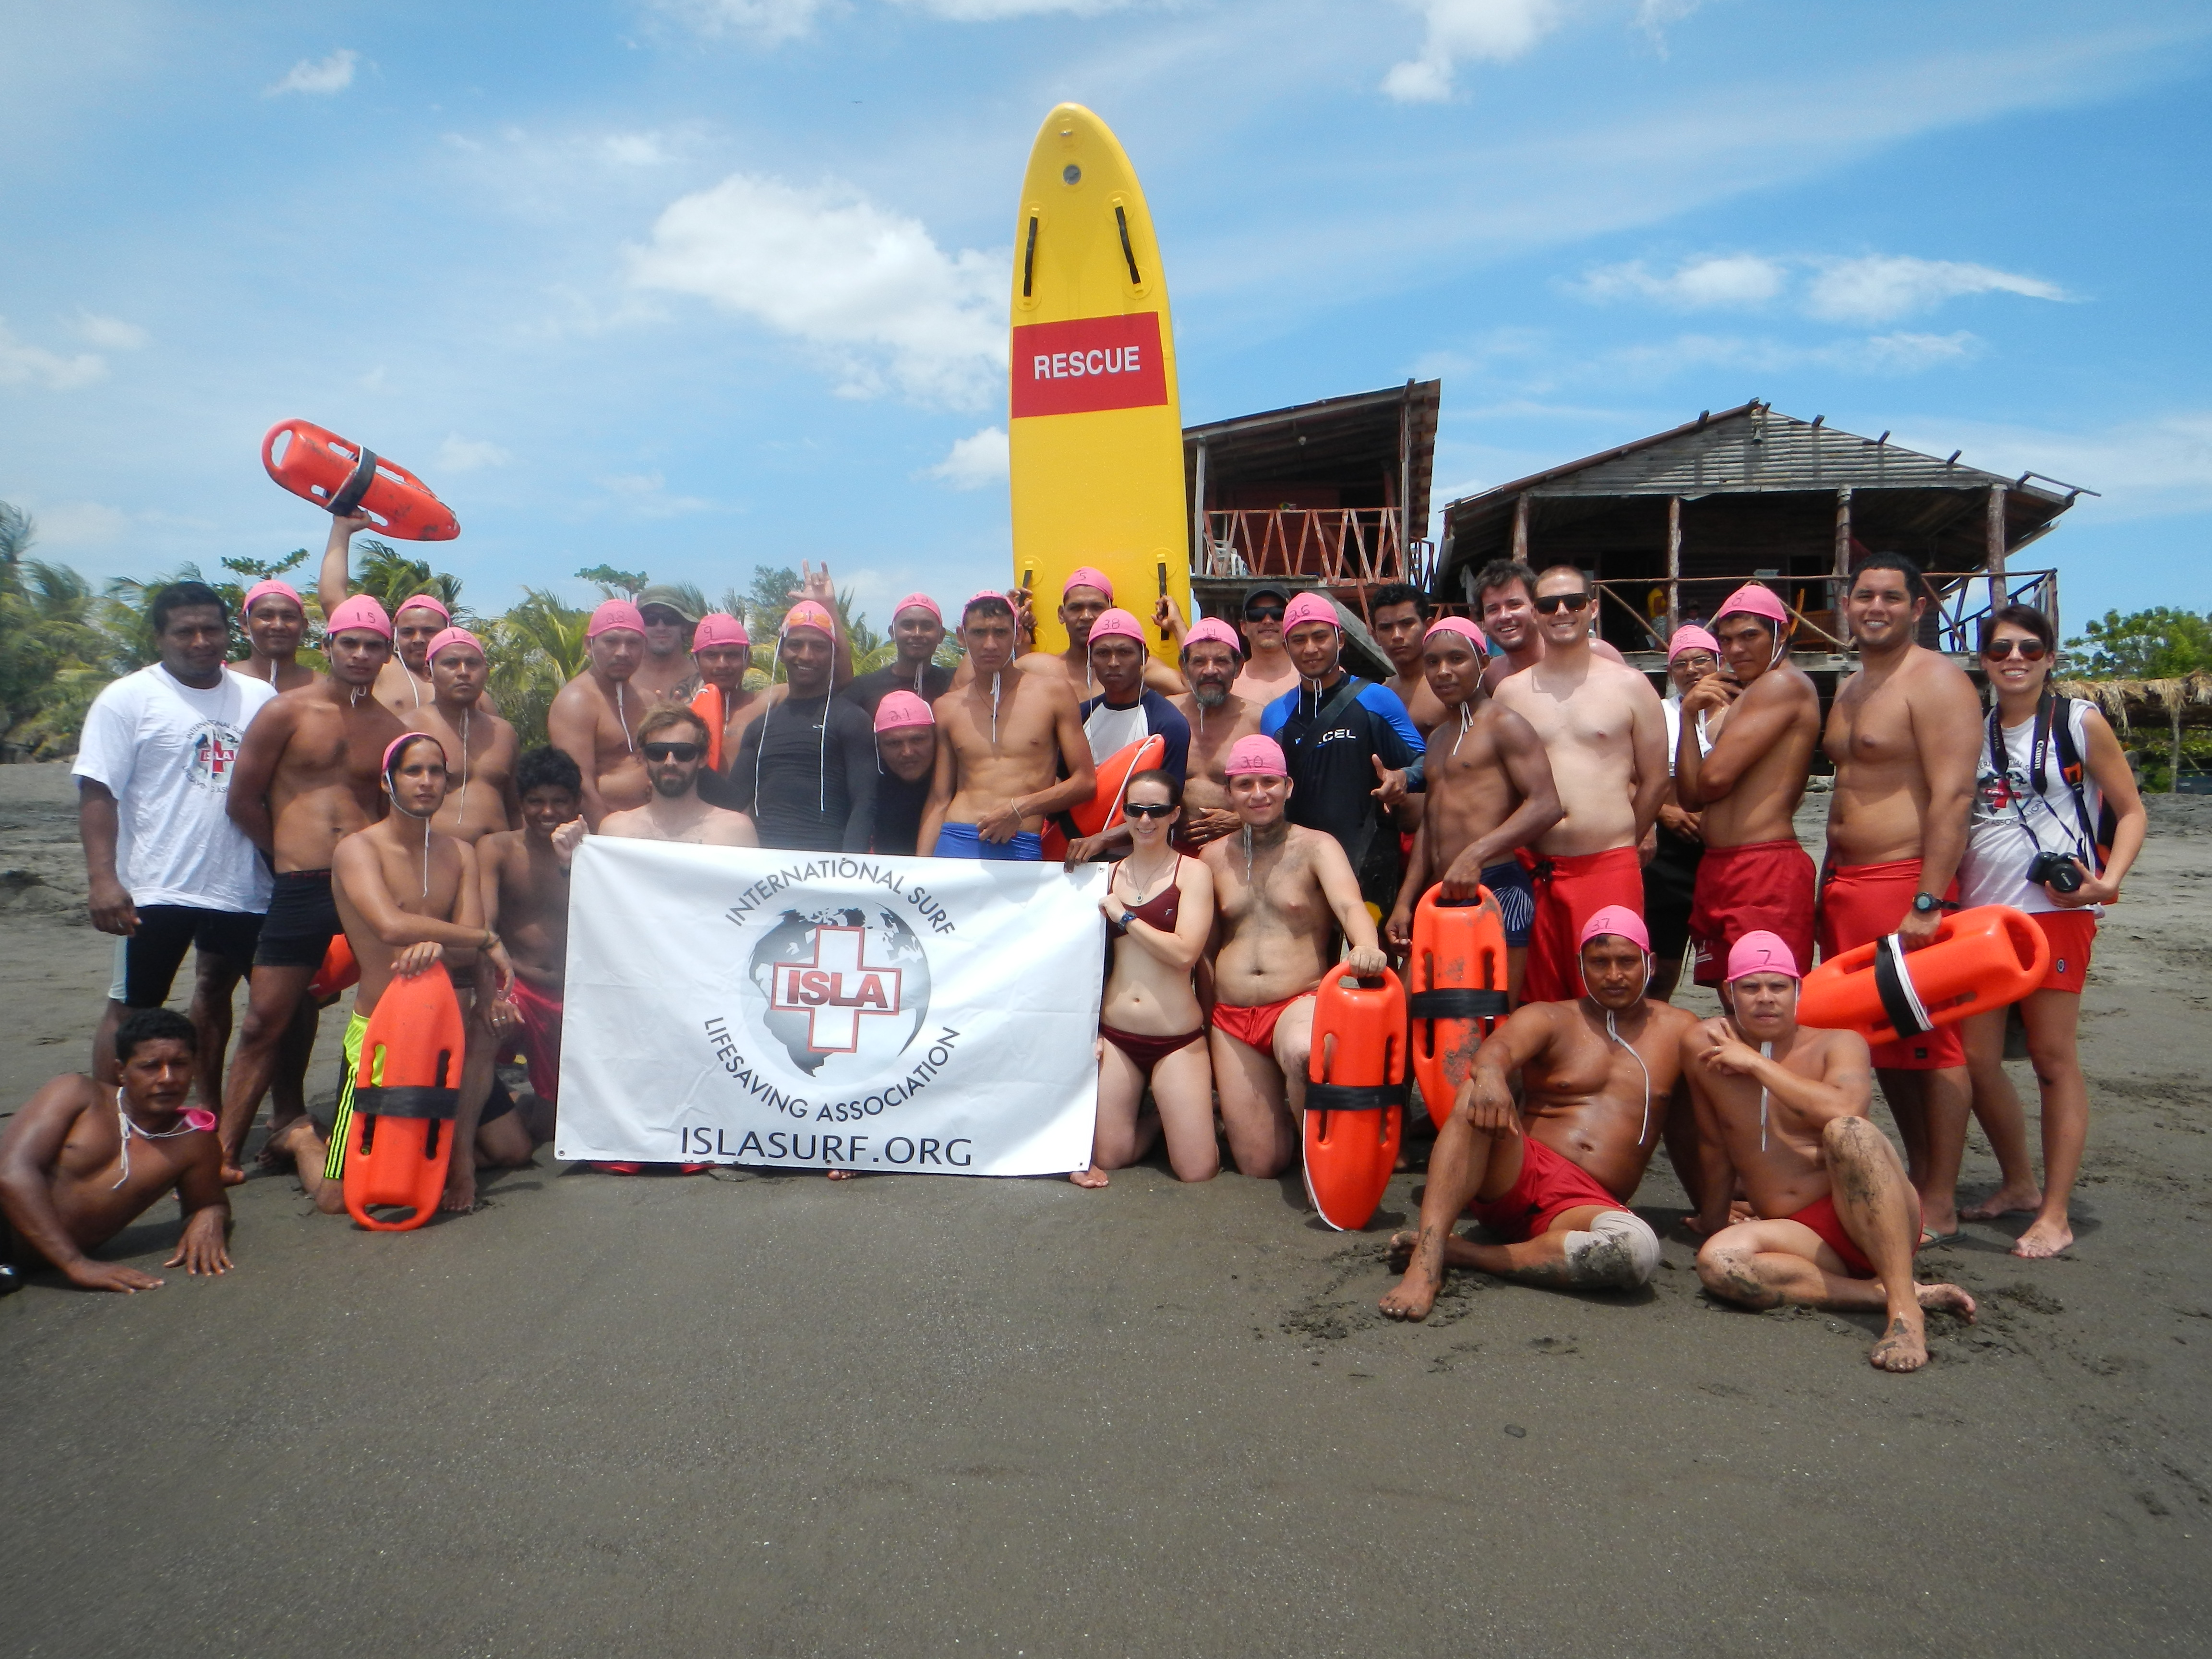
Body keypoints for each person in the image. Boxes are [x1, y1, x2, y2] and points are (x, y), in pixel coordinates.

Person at [1379, 909, 1695, 1319]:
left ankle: (1473, 1254)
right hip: (1520, 1174)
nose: (1614, 974)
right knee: (1476, 1090)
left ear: (1650, 965)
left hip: (1583, 1206)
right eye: (1600, 963)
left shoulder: (1682, 1029)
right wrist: (1491, 1074)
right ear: (1581, 966)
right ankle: (1428, 1259)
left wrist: (1715, 1209)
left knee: (1635, 1252)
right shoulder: (1551, 1016)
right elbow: (1497, 1050)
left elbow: (1695, 1130)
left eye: (1627, 962)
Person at [1684, 932, 1977, 1372]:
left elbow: (1844, 1108)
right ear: (1729, 992)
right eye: (1751, 987)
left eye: (1778, 986)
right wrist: (1712, 1216)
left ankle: (1904, 1314)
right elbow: (1713, 1141)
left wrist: (1756, 1064)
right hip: (1801, 1235)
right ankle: (1879, 1294)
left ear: (1798, 990)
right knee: (1720, 1264)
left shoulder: (1840, 1042)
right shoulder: (1703, 1044)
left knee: (1847, 1131)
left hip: (1873, 1214)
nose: (1766, 999)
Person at [265, 734, 528, 1214]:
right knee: (336, 1201)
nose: (426, 781)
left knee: (512, 1150)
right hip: (382, 1034)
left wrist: (447, 940)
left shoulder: (459, 853)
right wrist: (485, 940)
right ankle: (301, 1138)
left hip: (444, 1028)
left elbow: (462, 941)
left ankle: (434, 1154)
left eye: (436, 772)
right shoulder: (357, 849)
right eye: (413, 771)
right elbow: (390, 924)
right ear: (388, 783)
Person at [1958, 605, 2145, 1258]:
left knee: (2052, 1060)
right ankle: (2019, 1183)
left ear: (2050, 657)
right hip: (1980, 918)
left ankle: (2057, 1213)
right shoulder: (1972, 729)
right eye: (2001, 648)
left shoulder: (2078, 722)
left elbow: (2130, 811)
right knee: (1976, 1060)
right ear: (1982, 658)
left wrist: (2108, 880)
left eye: (2030, 649)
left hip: (2055, 917)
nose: (2015, 658)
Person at [1818, 552, 1983, 1242]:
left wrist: (1930, 899)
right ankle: (1918, 1176)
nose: (1874, 607)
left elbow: (1954, 795)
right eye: (1863, 597)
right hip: (1848, 884)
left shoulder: (1938, 681)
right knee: (1884, 1043)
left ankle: (1940, 1197)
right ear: (1847, 606)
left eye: (1890, 597)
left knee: (1934, 1042)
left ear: (1920, 607)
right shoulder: (1854, 685)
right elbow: (1847, 790)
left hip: (1905, 880)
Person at [217, 594, 407, 1183]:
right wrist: (283, 856)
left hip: (363, 886)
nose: (360, 654)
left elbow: (384, 810)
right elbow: (242, 798)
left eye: (373, 645)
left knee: (377, 1011)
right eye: (349, 642)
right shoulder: (287, 712)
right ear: (327, 647)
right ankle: (221, 1153)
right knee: (264, 1019)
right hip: (299, 881)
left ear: (386, 656)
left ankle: (368, 1126)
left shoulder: (392, 728)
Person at [75, 580, 279, 1115]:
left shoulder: (259, 697)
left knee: (276, 1008)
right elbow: (98, 791)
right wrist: (104, 880)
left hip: (245, 886)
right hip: (155, 885)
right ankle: (108, 1122)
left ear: (227, 632)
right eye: (184, 631)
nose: (199, 641)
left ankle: (233, 1116)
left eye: (211, 629)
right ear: (159, 637)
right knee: (132, 1008)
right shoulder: (128, 698)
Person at [1201, 734, 1389, 1177]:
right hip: (1232, 1017)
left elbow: (1349, 906)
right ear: (1229, 793)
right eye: (1245, 784)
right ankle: (1287, 1125)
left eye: (1268, 782)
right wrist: (1205, 1021)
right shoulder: (1211, 857)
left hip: (1297, 1003)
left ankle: (1324, 1169)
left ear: (1288, 787)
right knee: (1260, 1164)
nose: (1258, 794)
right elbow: (1205, 950)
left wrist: (1366, 946)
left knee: (1306, 1054)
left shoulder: (1317, 846)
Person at [1490, 565, 1667, 1004]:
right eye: (1549, 605)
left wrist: (1626, 839)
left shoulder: (1631, 685)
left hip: (1607, 865)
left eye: (1573, 602)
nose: (1562, 611)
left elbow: (1656, 778)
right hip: (1533, 868)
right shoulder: (1510, 693)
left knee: (1612, 994)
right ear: (1535, 613)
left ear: (1593, 607)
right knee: (1538, 1001)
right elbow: (1498, 787)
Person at [1384, 619, 1559, 1006]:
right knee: (1409, 1006)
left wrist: (1475, 854)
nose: (1443, 671)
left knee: (1491, 1014)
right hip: (1443, 888)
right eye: (1433, 662)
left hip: (1496, 884)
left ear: (1482, 661)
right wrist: (1405, 900)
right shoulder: (1440, 739)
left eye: (1456, 659)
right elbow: (1431, 821)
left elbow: (1546, 804)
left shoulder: (1504, 724)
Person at [0, 1009, 232, 1294]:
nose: (168, 1078)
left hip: (23, 1263)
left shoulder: (193, 1142)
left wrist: (209, 1218)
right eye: (150, 1066)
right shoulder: (76, 1094)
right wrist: (75, 1263)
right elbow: (11, 1172)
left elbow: (209, 1201)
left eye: (180, 1064)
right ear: (121, 1070)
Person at [1070, 770, 1219, 1189]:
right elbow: (1082, 963)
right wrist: (1087, 1032)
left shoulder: (1193, 874)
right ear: (1126, 813)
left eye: (1157, 811)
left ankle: (1185, 1116)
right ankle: (1157, 1123)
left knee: (1197, 1171)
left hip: (1178, 1037)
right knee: (1111, 1157)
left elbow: (1185, 953)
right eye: (1136, 810)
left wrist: (1125, 916)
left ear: (1174, 815)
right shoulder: (1106, 875)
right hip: (1118, 1036)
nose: (1146, 820)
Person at [1674, 584, 1821, 986]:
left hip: (1763, 867)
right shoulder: (1746, 695)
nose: (1737, 649)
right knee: (1733, 998)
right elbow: (1690, 797)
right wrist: (1687, 718)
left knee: (1765, 1003)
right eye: (1727, 639)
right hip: (1722, 865)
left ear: (1782, 633)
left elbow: (1712, 781)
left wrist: (1692, 719)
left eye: (1750, 636)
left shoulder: (1782, 685)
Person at [1261, 590, 1421, 915]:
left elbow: (1427, 762)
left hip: (1370, 860)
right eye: (1299, 640)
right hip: (1301, 869)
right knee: (1310, 966)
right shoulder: (1276, 715)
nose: (1310, 649)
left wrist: (1402, 777)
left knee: (1373, 962)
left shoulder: (1376, 699)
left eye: (1321, 637)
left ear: (1341, 639)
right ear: (1286, 647)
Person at [919, 592, 1094, 861]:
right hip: (957, 839)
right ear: (962, 636)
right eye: (979, 633)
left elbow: (1085, 782)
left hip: (1020, 840)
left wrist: (1020, 808)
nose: (990, 644)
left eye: (1000, 632)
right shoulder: (947, 707)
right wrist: (921, 868)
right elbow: (939, 798)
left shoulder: (1053, 694)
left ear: (1017, 635)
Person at [477, 747, 585, 1119]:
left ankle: (522, 1109)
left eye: (559, 801)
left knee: (552, 1123)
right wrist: (492, 993)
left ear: (577, 803)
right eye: (536, 801)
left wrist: (575, 861)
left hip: (575, 994)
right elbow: (484, 928)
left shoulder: (595, 851)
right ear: (521, 803)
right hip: (518, 986)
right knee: (481, 1031)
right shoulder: (497, 849)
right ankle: (475, 1114)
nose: (548, 811)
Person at [727, 600, 877, 853]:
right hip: (768, 873)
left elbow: (865, 804)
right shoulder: (759, 728)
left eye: (819, 647)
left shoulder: (852, 720)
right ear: (781, 651)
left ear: (833, 654)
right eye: (796, 645)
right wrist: (686, 747)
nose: (806, 655)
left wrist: (850, 871)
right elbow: (730, 802)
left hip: (826, 870)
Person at [315, 513, 483, 716]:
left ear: (447, 632)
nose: (418, 640)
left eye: (429, 631)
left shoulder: (468, 684)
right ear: (394, 634)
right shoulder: (380, 666)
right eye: (408, 632)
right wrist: (341, 529)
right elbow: (333, 599)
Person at [1062, 608, 1193, 862]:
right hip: (1076, 856)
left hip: (1143, 861)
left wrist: (1103, 840)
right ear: (1090, 659)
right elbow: (1062, 784)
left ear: (1143, 656)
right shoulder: (1078, 717)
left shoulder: (1169, 723)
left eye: (1124, 652)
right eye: (1102, 653)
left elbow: (1165, 808)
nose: (1113, 662)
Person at [1644, 625, 1719, 1000]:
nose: (1692, 670)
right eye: (1681, 664)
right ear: (1670, 673)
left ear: (1718, 662)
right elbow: (1624, 778)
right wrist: (1665, 812)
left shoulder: (1743, 711)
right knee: (1663, 966)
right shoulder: (1658, 715)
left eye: (1701, 660)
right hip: (1668, 852)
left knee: (1728, 967)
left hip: (1722, 847)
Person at [402, 627, 519, 843]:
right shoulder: (409, 728)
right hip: (438, 859)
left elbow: (516, 808)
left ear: (486, 672)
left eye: (473, 664)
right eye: (451, 663)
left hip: (497, 862)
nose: (463, 671)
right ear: (429, 673)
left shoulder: (504, 733)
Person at [547, 598, 651, 828]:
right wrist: (608, 839)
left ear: (645, 647)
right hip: (605, 832)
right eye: (611, 641)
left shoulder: (649, 700)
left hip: (653, 828)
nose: (623, 652)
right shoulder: (577, 702)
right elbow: (580, 784)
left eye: (633, 643)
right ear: (589, 645)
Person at [601, 706, 760, 846]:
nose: (670, 762)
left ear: (703, 759)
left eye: (684, 752)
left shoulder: (736, 832)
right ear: (643, 758)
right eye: (657, 752)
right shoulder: (615, 830)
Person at [1012, 567, 1185, 697]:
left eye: (1096, 607)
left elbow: (1192, 687)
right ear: (1061, 614)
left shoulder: (1134, 667)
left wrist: (1177, 625)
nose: (1086, 616)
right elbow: (992, 686)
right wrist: (1008, 619)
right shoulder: (1040, 668)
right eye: (1076, 608)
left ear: (1112, 611)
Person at [1168, 618, 1262, 849]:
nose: (1210, 671)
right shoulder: (1164, 715)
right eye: (1199, 661)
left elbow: (1285, 794)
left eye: (1221, 661)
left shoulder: (1258, 720)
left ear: (1238, 667)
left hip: (1238, 853)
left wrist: (1241, 821)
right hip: (1172, 854)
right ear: (1184, 667)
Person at [1471, 559, 1627, 693]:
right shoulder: (1492, 676)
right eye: (1493, 609)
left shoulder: (1598, 655)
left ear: (1536, 610)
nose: (1505, 616)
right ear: (1483, 621)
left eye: (1515, 605)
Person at [842, 593, 954, 717]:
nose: (917, 634)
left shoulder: (955, 683)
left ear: (941, 635)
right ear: (892, 633)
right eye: (908, 626)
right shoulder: (863, 689)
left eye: (927, 627)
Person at [686, 611, 763, 775]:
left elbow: (829, 683)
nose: (722, 664)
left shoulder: (766, 704)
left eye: (732, 655)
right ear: (696, 661)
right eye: (712, 655)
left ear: (747, 659)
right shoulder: (683, 716)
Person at [1369, 582, 1449, 735]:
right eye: (1386, 628)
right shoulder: (1384, 692)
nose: (1397, 636)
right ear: (1375, 636)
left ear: (1428, 626)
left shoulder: (1448, 682)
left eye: (1407, 624)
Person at [869, 692, 937, 856]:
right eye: (894, 743)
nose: (907, 752)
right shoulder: (868, 791)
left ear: (936, 739)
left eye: (918, 740)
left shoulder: (959, 785)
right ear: (879, 749)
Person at [233, 578, 317, 692]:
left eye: (289, 617)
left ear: (304, 626)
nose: (278, 626)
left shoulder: (324, 689)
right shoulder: (222, 682)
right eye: (266, 616)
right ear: (244, 623)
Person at [632, 584, 703, 704]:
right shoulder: (622, 678)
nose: (661, 627)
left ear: (684, 627)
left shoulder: (705, 680)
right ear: (639, 626)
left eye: (671, 619)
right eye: (650, 619)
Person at [1231, 581, 1300, 705]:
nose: (1268, 621)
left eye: (1278, 613)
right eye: (1256, 614)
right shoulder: (1230, 684)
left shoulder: (1315, 677)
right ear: (1244, 627)